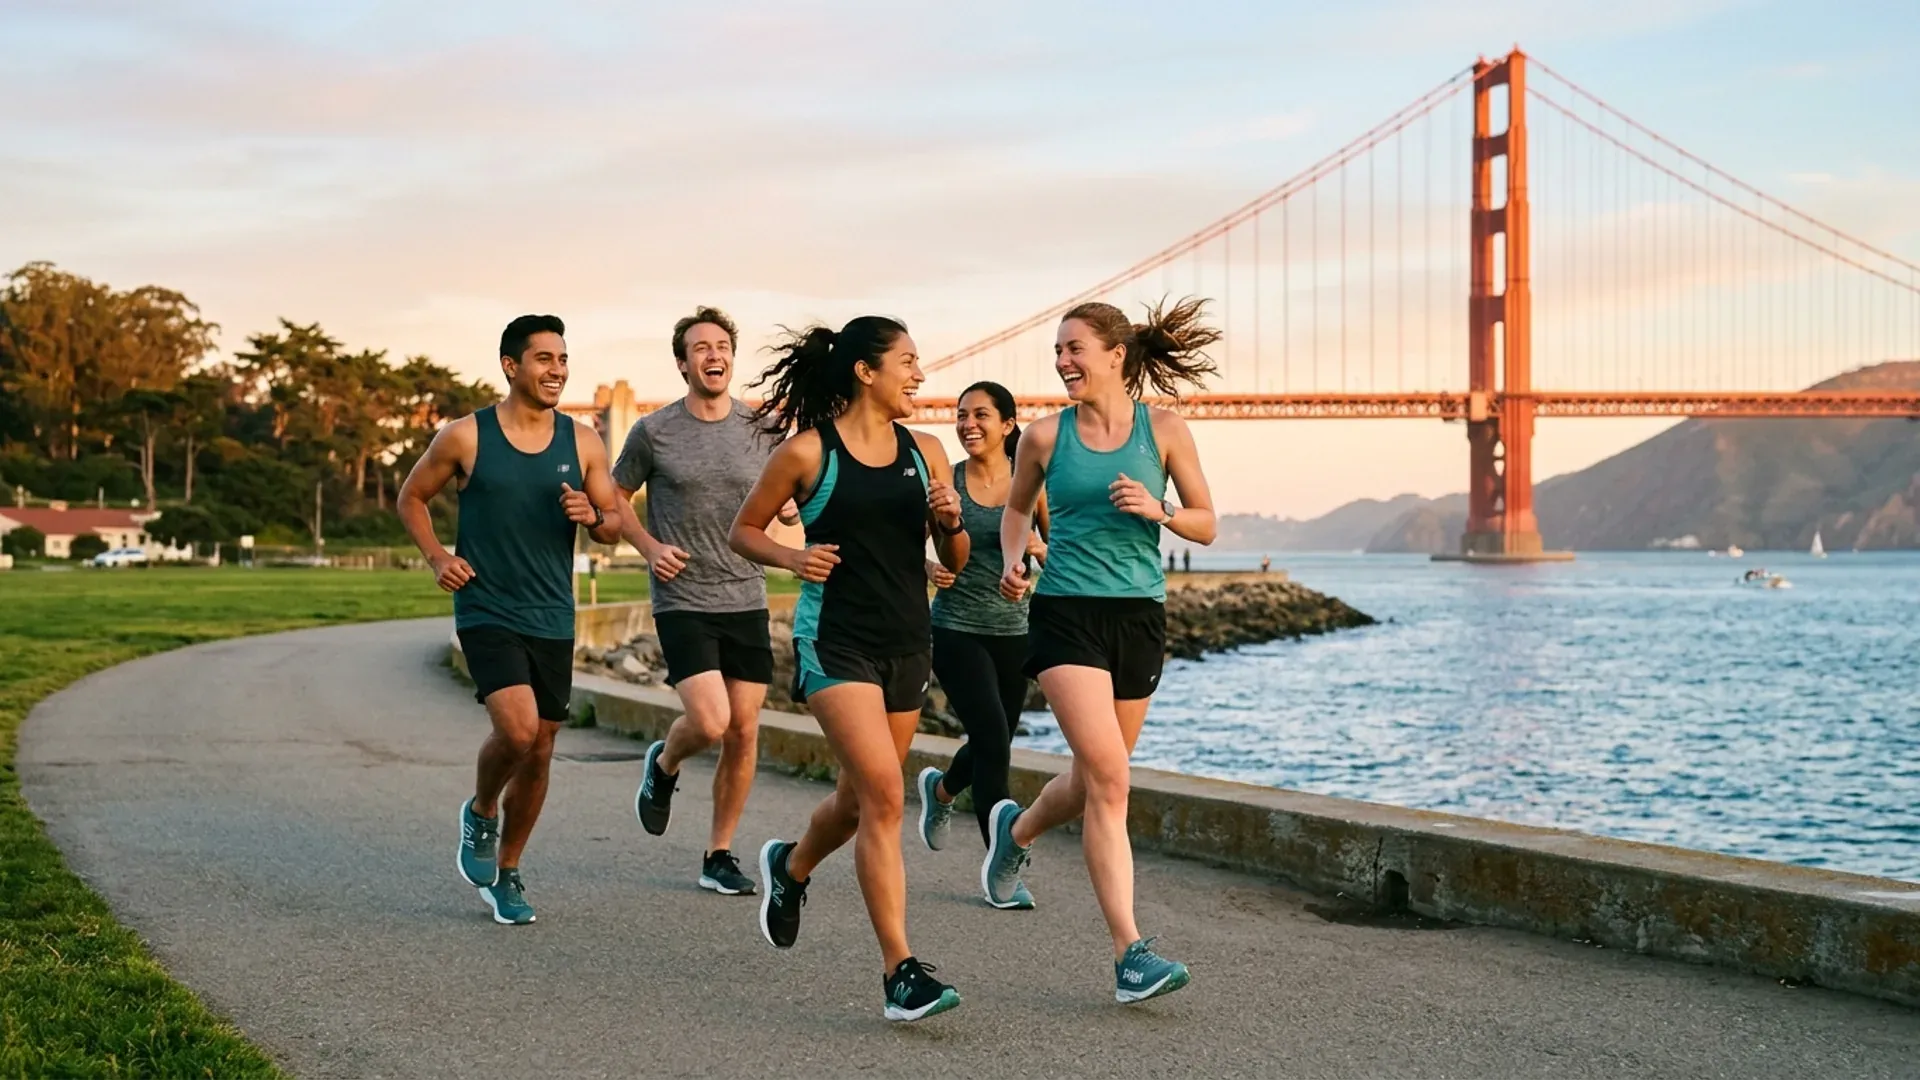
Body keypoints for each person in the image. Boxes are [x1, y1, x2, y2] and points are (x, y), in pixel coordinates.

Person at [727, 315, 969, 1022]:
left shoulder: (928, 452)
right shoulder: (809, 452)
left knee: (861, 800)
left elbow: (954, 566)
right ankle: (900, 973)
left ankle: (790, 867)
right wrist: (794, 557)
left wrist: (951, 522)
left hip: (906, 641)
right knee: (889, 800)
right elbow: (744, 529)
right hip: (834, 642)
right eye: (909, 361)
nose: (920, 374)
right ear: (866, 372)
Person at [982, 297, 1219, 1003]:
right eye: (1057, 351)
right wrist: (1015, 558)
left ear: (1116, 355)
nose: (1062, 363)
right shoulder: (1045, 438)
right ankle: (1129, 955)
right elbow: (1017, 509)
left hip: (1140, 617)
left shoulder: (1166, 431)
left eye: (1074, 348)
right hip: (1066, 616)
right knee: (1112, 780)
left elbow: (1207, 524)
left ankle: (1014, 831)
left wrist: (1161, 511)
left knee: (1092, 781)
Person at [398, 314, 624, 925]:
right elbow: (411, 496)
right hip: (486, 605)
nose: (557, 370)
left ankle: (509, 873)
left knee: (544, 747)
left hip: (552, 611)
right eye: (544, 359)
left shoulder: (583, 442)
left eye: (562, 358)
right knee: (520, 731)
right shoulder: (464, 437)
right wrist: (438, 556)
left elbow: (611, 526)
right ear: (511, 366)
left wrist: (592, 515)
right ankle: (481, 810)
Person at [614, 306, 798, 897]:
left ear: (731, 358)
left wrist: (790, 509)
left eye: (722, 345)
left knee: (744, 732)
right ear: (682, 363)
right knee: (712, 721)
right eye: (700, 347)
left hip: (745, 592)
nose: (713, 355)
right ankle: (663, 765)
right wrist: (646, 546)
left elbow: (786, 494)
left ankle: (718, 853)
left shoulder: (763, 429)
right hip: (682, 594)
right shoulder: (653, 431)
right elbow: (615, 496)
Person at [913, 382, 1049, 910]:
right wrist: (927, 565)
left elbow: (1052, 553)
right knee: (993, 735)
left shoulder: (1031, 484)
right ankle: (1003, 862)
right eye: (961, 414)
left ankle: (942, 790)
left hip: (1015, 633)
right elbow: (910, 544)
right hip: (955, 628)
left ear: (1009, 425)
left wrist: (1034, 569)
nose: (968, 424)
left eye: (981, 415)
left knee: (995, 738)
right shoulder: (944, 482)